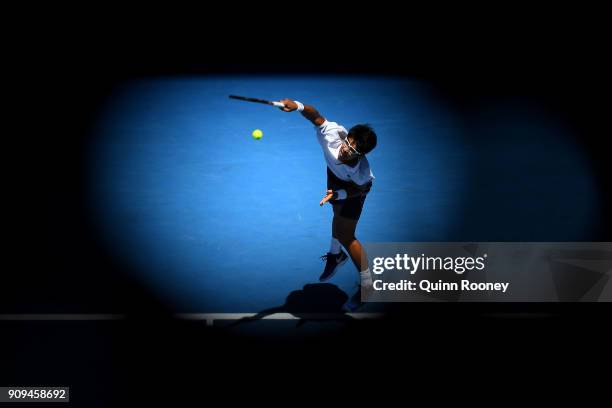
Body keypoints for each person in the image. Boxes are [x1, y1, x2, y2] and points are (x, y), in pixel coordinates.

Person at [278, 98, 377, 310]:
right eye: (348, 143)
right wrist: (298, 106)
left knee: (347, 236)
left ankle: (368, 285)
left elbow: (362, 189)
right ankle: (335, 255)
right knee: (336, 215)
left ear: (361, 155)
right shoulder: (332, 134)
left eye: (353, 150)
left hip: (354, 191)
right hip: (334, 176)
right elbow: (315, 116)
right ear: (347, 136)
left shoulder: (361, 173)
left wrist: (340, 194)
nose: (346, 150)